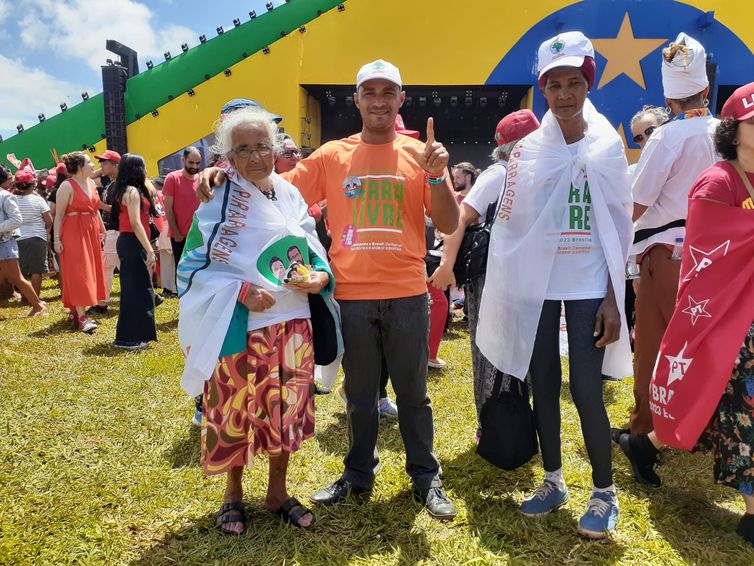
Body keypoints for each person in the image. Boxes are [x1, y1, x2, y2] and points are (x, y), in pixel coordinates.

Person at [198, 59, 460, 519]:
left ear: (401, 99)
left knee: (414, 394)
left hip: (406, 292)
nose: (379, 100)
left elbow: (449, 222)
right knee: (358, 395)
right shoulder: (332, 155)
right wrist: (221, 173)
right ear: (357, 100)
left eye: (388, 92)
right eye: (369, 92)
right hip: (351, 297)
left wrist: (437, 177)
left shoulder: (420, 155)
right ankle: (359, 474)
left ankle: (426, 477)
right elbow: (268, 186)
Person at [477, 32, 633, 539]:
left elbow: (618, 227)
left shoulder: (608, 146)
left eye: (573, 83)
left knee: (587, 389)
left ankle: (604, 492)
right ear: (542, 89)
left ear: (588, 83)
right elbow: (513, 225)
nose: (564, 94)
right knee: (542, 382)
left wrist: (614, 297)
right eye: (553, 85)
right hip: (540, 284)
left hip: (589, 281)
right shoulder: (526, 152)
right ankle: (553, 480)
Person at [179, 107, 336, 534]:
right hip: (238, 325)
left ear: (276, 149)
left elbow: (310, 244)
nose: (254, 157)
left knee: (286, 411)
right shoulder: (218, 199)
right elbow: (192, 266)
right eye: (242, 149)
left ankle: (277, 492)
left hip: (293, 323)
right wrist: (241, 291)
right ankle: (232, 495)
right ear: (226, 156)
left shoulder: (289, 194)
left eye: (261, 146)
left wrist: (320, 276)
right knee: (235, 410)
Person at [617, 83, 754, 547]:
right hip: (715, 296)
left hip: (729, 296)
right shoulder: (716, 178)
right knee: (722, 387)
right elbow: (712, 242)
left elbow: (637, 204)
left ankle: (648, 438)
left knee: (712, 386)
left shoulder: (673, 142)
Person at [620, 33, 719, 439]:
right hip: (717, 254)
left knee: (653, 345)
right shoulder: (727, 133)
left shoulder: (667, 136)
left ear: (668, 101)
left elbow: (636, 204)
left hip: (667, 252)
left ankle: (645, 427)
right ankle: (704, 425)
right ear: (706, 91)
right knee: (707, 344)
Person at [430, 109, 540, 438]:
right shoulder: (498, 175)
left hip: (529, 277)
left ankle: (517, 416)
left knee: (524, 350)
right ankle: (490, 423)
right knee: (489, 348)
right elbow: (459, 220)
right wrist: (447, 266)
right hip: (491, 279)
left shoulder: (542, 175)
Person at [108, 154, 158, 350]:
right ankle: (129, 338)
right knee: (136, 290)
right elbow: (136, 223)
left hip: (129, 241)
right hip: (132, 242)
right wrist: (149, 249)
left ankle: (132, 336)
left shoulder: (126, 190)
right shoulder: (132, 192)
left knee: (135, 289)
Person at [53, 152, 107, 332]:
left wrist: (102, 229)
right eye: (89, 163)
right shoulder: (66, 187)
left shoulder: (91, 183)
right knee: (79, 271)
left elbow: (95, 209)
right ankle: (82, 317)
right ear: (79, 166)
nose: (93, 166)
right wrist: (56, 239)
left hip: (90, 231)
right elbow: (58, 215)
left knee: (91, 269)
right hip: (73, 232)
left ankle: (75, 311)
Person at [0, 166, 46, 316]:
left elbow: (16, 220)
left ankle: (38, 305)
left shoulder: (6, 196)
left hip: (6, 243)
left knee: (17, 278)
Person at [89, 150, 121, 315]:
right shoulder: (112, 183)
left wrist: (100, 205)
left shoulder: (120, 185)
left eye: (105, 162)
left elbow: (120, 210)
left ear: (116, 165)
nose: (101, 165)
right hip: (115, 230)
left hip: (117, 230)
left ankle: (101, 304)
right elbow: (88, 179)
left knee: (106, 267)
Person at [14, 168, 52, 298]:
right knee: (37, 270)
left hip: (17, 238)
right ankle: (35, 297)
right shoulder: (38, 200)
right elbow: (49, 220)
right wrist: (46, 229)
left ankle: (25, 297)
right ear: (32, 184)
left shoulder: (12, 199)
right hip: (37, 237)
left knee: (22, 271)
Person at [164, 147, 202, 271]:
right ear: (183, 159)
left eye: (197, 163)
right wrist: (176, 232)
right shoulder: (172, 178)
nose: (194, 166)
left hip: (199, 235)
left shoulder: (202, 180)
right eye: (191, 162)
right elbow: (168, 208)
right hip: (180, 236)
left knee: (198, 270)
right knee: (181, 270)